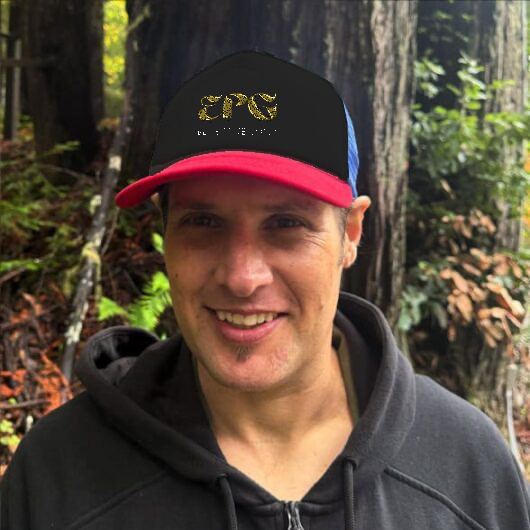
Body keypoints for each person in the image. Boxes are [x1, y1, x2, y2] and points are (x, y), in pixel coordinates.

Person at [1, 50, 529, 530]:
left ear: (350, 234)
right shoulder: (57, 477)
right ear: (165, 234)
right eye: (203, 222)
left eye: (286, 224)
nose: (242, 277)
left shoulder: (467, 469)